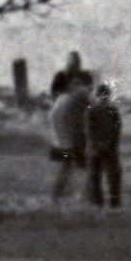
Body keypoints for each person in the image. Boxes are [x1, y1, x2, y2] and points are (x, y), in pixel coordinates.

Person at [48, 72, 90, 202]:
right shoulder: (76, 95)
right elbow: (89, 109)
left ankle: (58, 194)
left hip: (61, 140)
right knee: (86, 167)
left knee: (67, 167)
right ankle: (86, 195)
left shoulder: (61, 99)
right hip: (71, 139)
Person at [85, 83, 122, 208]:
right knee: (95, 175)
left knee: (114, 175)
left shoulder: (113, 111)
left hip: (110, 148)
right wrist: (97, 144)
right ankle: (98, 201)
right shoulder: (91, 111)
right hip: (95, 149)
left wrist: (110, 143)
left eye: (106, 95)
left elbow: (117, 130)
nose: (103, 98)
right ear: (96, 96)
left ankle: (115, 202)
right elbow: (89, 131)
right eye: (101, 95)